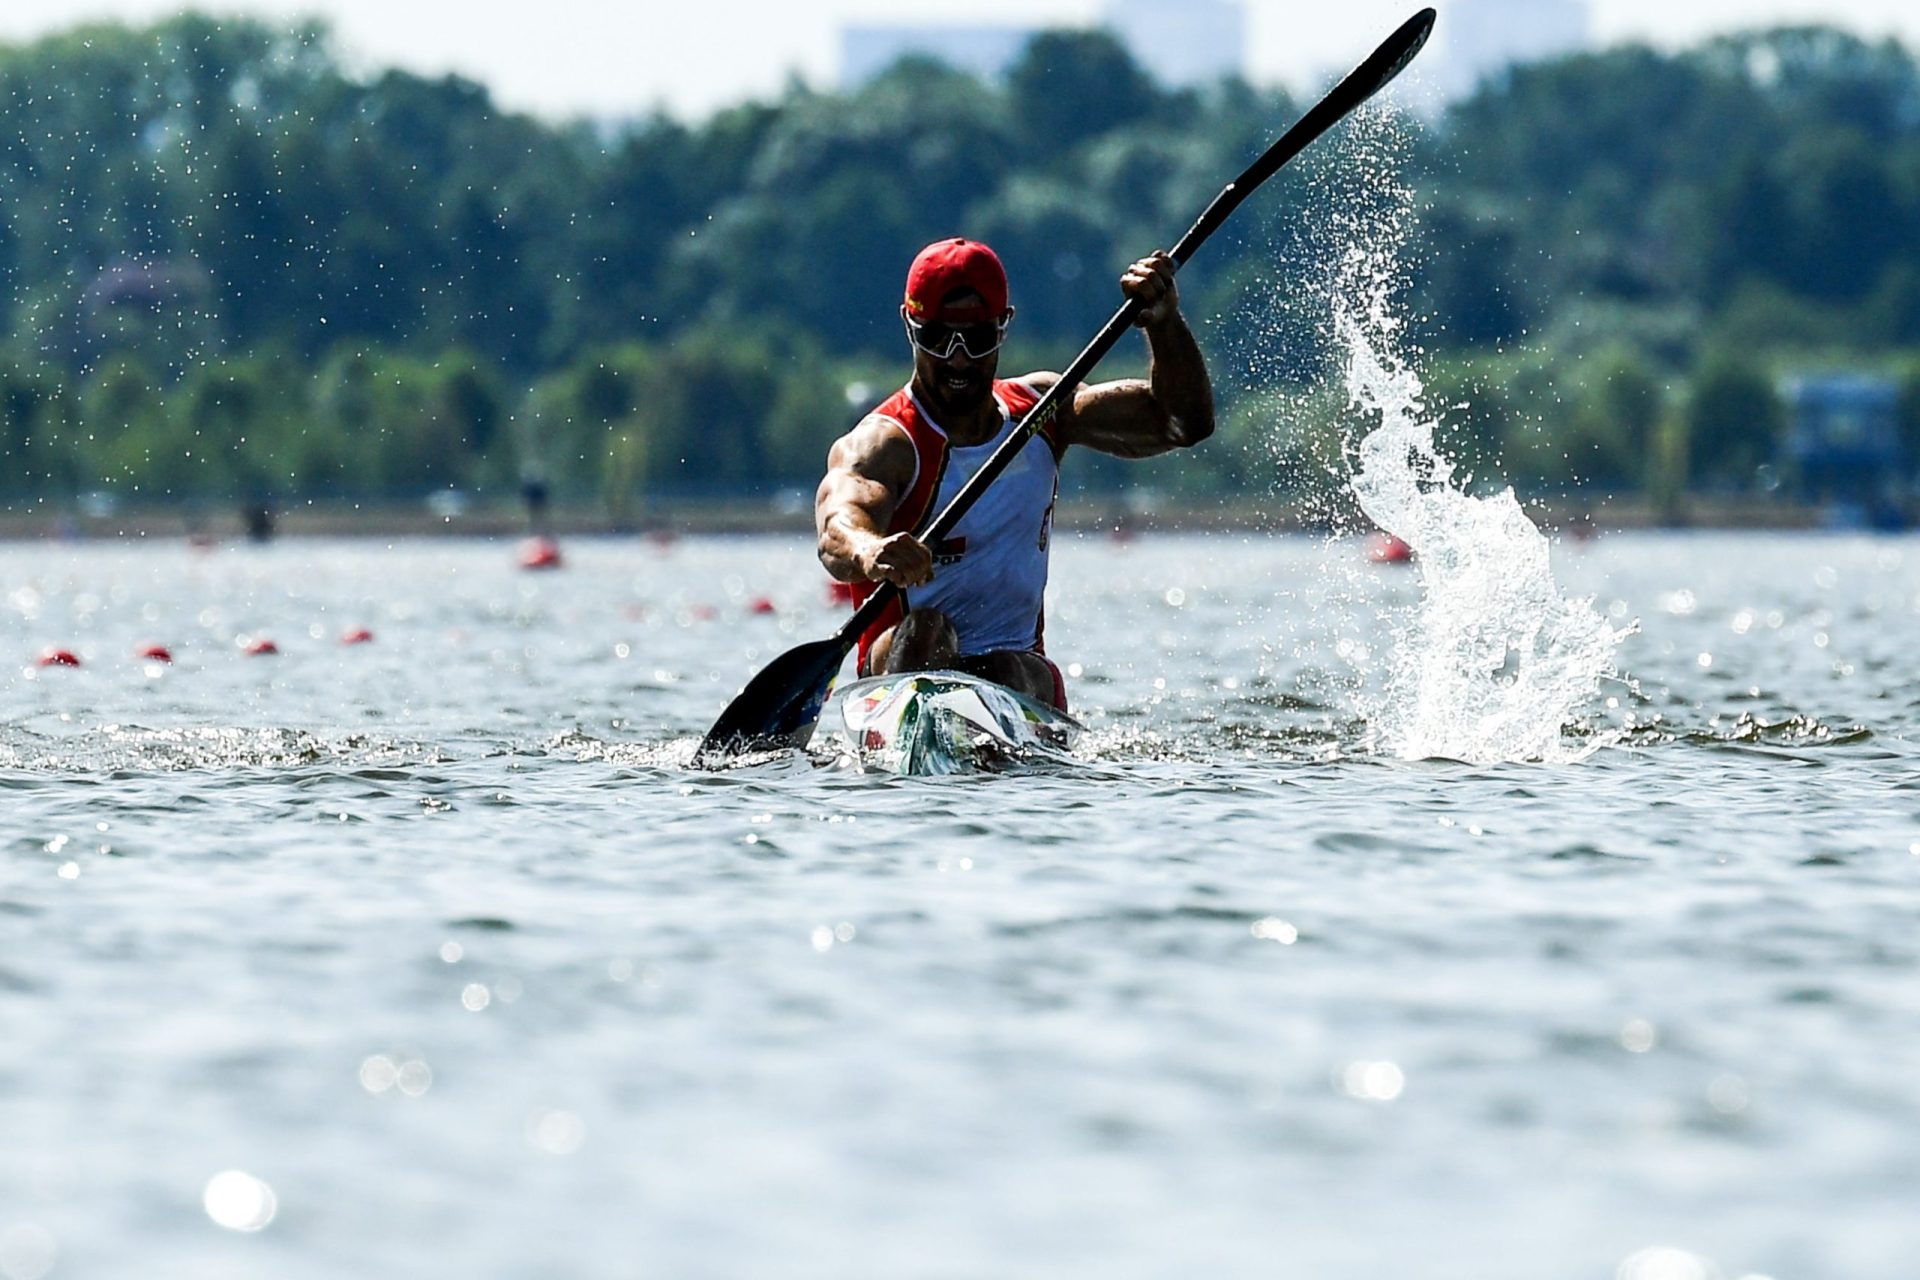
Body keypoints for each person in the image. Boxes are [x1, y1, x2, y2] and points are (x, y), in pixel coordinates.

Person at [816, 237, 1214, 709]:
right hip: (900, 669)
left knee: (1009, 666)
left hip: (1016, 676)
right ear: (910, 325)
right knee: (926, 629)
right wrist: (871, 548)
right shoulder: (885, 444)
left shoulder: (1044, 411)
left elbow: (1183, 423)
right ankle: (918, 733)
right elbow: (838, 522)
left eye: (977, 338)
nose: (958, 359)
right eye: (938, 338)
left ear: (1003, 327)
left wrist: (1164, 324)